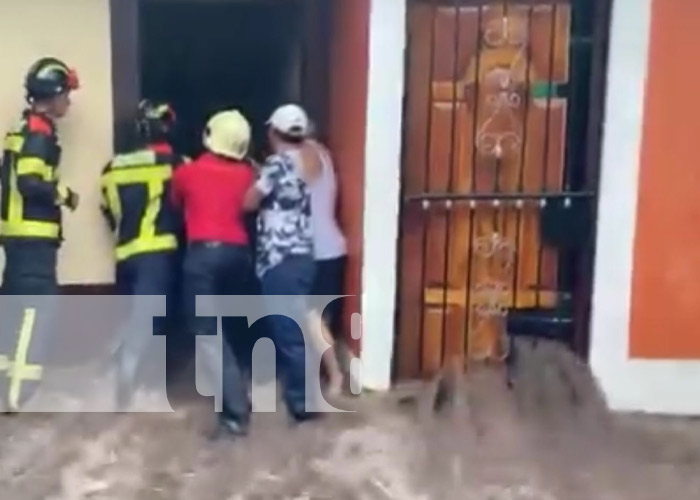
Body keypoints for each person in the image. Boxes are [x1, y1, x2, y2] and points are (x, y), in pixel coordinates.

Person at [0, 57, 80, 412]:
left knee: (14, 311)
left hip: (18, 238)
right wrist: (63, 195)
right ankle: (19, 394)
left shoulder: (24, 127)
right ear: (52, 95)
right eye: (66, 94)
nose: (69, 102)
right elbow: (31, 182)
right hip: (33, 239)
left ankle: (7, 389)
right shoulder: (39, 133)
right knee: (35, 312)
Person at [171, 110, 256, 440]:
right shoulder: (248, 173)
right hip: (239, 256)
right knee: (231, 326)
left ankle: (235, 415)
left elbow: (176, 205)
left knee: (208, 334)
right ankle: (236, 385)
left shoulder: (187, 172)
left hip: (203, 257)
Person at [100, 99, 188, 409]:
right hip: (158, 251)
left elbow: (109, 212)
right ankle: (133, 380)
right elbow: (187, 204)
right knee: (151, 316)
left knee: (137, 312)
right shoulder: (175, 164)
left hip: (125, 253)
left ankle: (122, 366)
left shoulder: (112, 167)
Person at [244, 104, 322, 423]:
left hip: (280, 258)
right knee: (295, 327)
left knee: (288, 332)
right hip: (303, 255)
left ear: (274, 132)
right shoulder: (311, 160)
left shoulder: (276, 165)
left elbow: (249, 201)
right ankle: (302, 395)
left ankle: (304, 404)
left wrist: (254, 177)